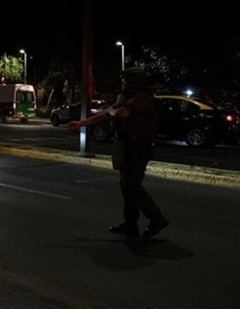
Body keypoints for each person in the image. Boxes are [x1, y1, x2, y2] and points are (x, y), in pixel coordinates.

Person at [67, 67, 169, 239]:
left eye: (126, 80)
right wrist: (81, 123)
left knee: (132, 186)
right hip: (126, 146)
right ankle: (130, 224)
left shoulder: (144, 98)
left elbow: (122, 113)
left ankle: (157, 219)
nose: (123, 83)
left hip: (138, 147)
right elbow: (106, 115)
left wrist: (112, 111)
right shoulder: (126, 97)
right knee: (126, 186)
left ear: (135, 82)